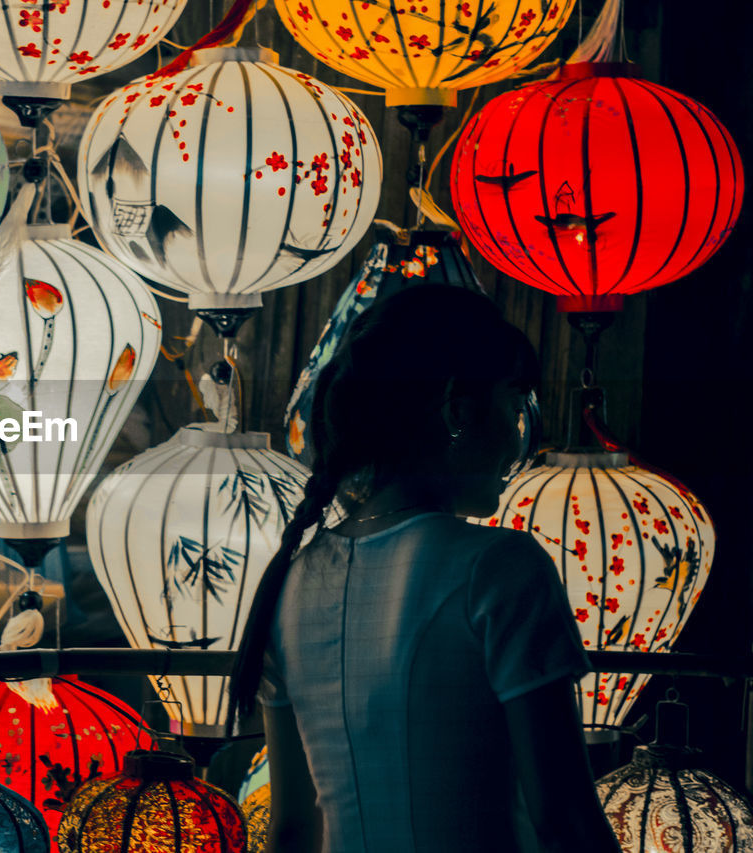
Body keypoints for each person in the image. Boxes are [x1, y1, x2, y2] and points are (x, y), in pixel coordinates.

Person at [228, 286, 621, 852]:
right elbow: (566, 820)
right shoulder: (499, 568)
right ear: (458, 409)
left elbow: (293, 830)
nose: (519, 442)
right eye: (514, 408)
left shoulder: (291, 582)